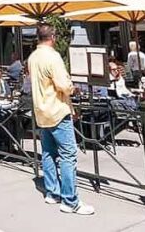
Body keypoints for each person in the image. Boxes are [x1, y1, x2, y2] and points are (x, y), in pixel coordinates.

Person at [27, 24, 94, 216]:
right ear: (53, 37)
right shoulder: (53, 56)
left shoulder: (33, 57)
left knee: (48, 153)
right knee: (68, 155)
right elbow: (64, 85)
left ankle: (52, 192)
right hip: (57, 110)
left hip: (41, 111)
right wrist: (73, 88)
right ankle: (70, 201)